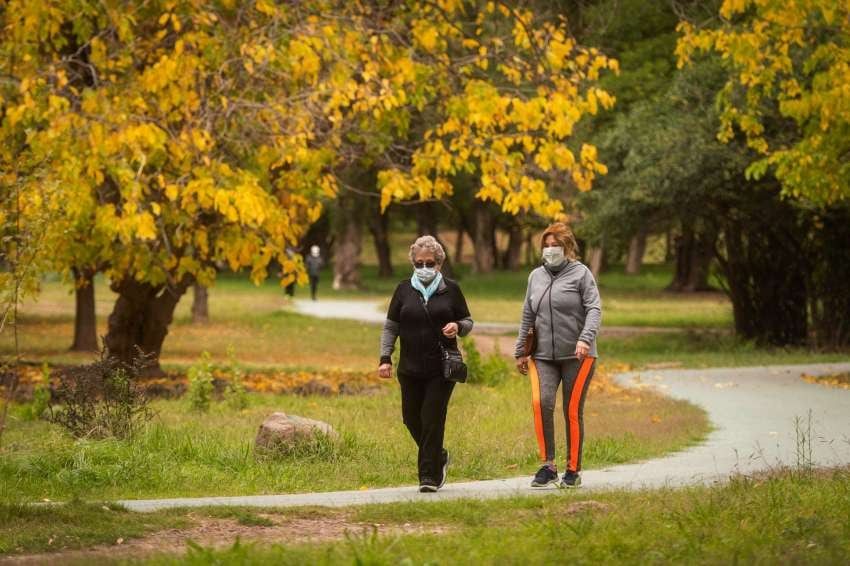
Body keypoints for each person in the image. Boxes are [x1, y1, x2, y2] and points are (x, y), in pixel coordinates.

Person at [378, 235, 474, 492]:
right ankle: (438, 455)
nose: (424, 268)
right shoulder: (403, 290)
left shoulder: (451, 289)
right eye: (418, 263)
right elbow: (391, 327)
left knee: (432, 419)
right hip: (409, 368)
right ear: (413, 263)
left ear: (439, 263)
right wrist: (385, 358)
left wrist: (458, 326)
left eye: (429, 263)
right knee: (411, 418)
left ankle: (429, 476)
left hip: (441, 369)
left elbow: (468, 321)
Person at [514, 222, 602, 489]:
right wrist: (521, 351)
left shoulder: (581, 274)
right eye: (547, 245)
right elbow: (527, 314)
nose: (551, 250)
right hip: (543, 356)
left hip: (578, 356)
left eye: (556, 245)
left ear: (568, 248)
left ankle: (572, 470)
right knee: (541, 403)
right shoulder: (535, 277)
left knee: (572, 410)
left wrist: (585, 339)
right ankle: (548, 466)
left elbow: (594, 308)